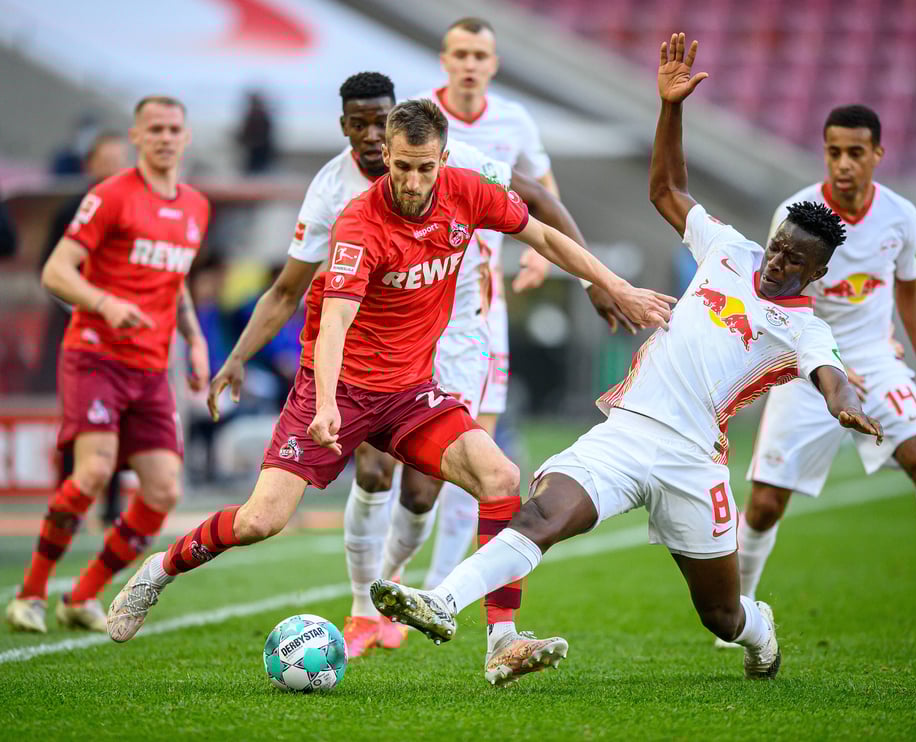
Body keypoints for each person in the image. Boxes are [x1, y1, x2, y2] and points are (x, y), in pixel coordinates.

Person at [370, 33, 883, 685]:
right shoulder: (729, 249)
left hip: (692, 460)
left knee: (720, 614)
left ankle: (761, 628)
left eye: (793, 260)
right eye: (778, 245)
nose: (777, 259)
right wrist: (670, 108)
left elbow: (832, 377)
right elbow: (667, 189)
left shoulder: (805, 327)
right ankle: (443, 602)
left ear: (817, 272)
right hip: (626, 433)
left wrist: (847, 406)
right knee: (542, 515)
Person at [105, 100, 674, 682]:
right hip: (341, 390)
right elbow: (333, 325)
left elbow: (545, 236)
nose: (411, 180)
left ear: (443, 159)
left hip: (410, 392)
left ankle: (501, 640)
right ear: (388, 158)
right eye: (401, 166)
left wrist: (614, 284)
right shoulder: (360, 223)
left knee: (499, 477)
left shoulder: (467, 191)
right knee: (260, 520)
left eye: (424, 167)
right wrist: (326, 402)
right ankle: (159, 571)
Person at [202, 72, 627, 657]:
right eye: (363, 126)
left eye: (384, 123)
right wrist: (249, 361)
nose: (377, 141)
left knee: (446, 488)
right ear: (346, 127)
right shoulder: (339, 199)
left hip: (444, 348)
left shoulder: (461, 168)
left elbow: (541, 210)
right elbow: (296, 298)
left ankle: (450, 611)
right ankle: (359, 608)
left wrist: (602, 282)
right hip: (353, 364)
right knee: (354, 483)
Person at [731, 105, 916, 641]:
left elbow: (909, 289)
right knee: (764, 505)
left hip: (877, 362)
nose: (844, 164)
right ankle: (737, 611)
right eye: (834, 152)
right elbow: (770, 296)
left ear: (877, 154)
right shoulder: (795, 212)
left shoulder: (901, 216)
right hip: (808, 362)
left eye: (856, 153)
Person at [5, 96, 210, 634]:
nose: (166, 137)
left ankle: (82, 596)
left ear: (186, 138)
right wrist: (103, 302)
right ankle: (28, 595)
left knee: (164, 490)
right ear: (136, 138)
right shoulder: (110, 196)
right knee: (94, 470)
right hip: (95, 354)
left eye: (174, 128)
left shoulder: (195, 206)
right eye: (155, 129)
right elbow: (55, 272)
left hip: (150, 367)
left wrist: (194, 342)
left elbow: (176, 280)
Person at [404, 17, 590, 590]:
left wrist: (542, 254)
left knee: (475, 448)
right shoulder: (416, 120)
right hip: (415, 297)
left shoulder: (513, 120)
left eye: (479, 54)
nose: (469, 64)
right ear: (443, 58)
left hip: (480, 305)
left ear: (493, 63)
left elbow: (541, 185)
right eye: (459, 52)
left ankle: (437, 586)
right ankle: (382, 582)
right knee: (410, 465)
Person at [35, 132, 134, 526]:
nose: (113, 167)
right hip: (79, 332)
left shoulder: (133, 206)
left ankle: (111, 507)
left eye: (119, 159)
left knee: (119, 420)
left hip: (125, 333)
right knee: (80, 421)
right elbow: (51, 270)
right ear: (90, 164)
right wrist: (87, 306)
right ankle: (67, 503)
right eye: (106, 160)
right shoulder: (73, 209)